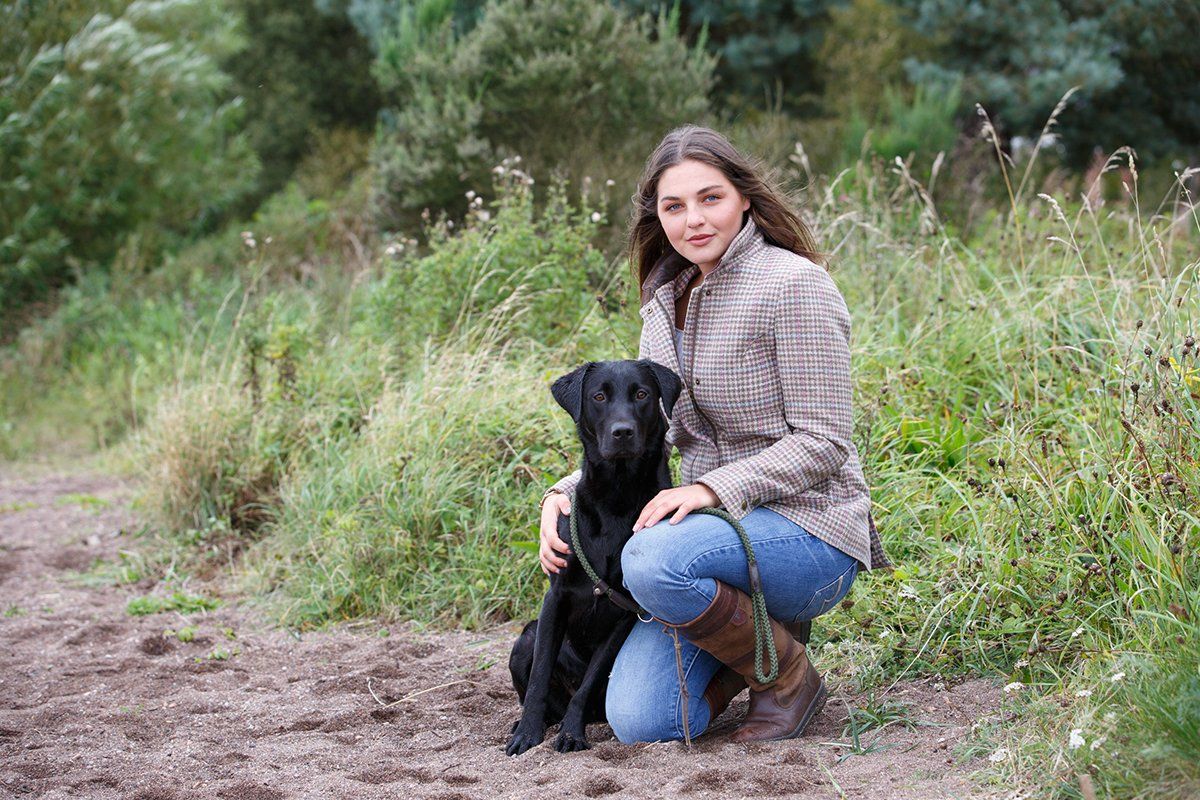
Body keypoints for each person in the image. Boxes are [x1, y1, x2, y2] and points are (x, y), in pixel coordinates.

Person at [537, 124, 894, 744]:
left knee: (645, 556)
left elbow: (826, 440)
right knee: (642, 721)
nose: (693, 220)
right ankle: (752, 636)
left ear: (745, 199)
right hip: (707, 545)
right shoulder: (665, 302)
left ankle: (786, 677)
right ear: (658, 215)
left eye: (711, 198)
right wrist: (562, 492)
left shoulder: (794, 286)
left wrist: (709, 491)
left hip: (811, 532)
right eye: (673, 206)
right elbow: (650, 432)